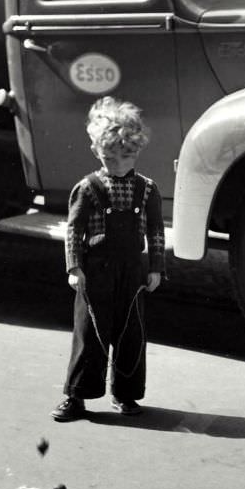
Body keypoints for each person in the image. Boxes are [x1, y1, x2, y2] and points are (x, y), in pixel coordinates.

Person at [51, 97, 166, 421]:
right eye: (110, 157)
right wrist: (74, 267)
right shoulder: (87, 189)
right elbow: (73, 230)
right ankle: (76, 397)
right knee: (90, 334)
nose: (118, 164)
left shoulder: (147, 190)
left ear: (138, 151)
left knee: (132, 333)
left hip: (133, 270)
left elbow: (156, 230)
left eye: (126, 156)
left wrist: (156, 267)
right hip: (96, 271)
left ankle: (126, 394)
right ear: (96, 152)